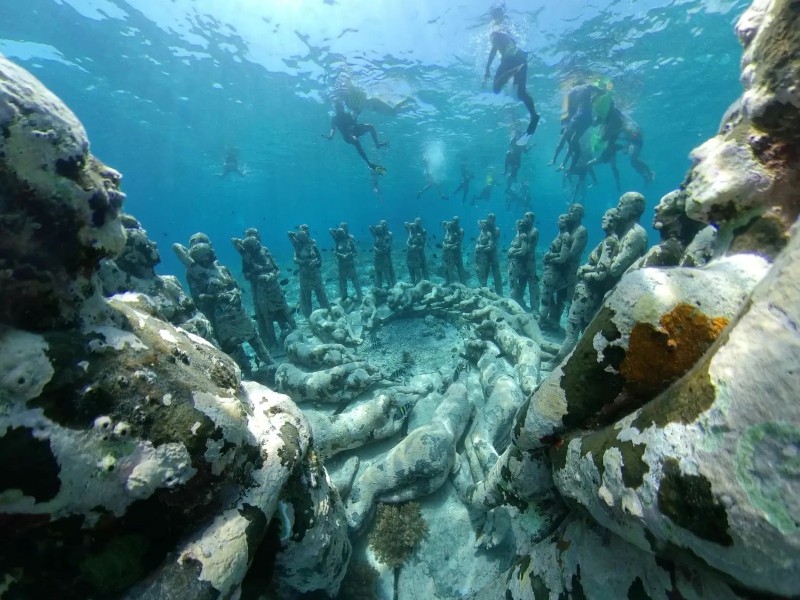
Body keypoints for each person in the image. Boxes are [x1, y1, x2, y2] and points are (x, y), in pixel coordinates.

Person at [173, 237, 273, 375]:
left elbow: (235, 286)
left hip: (239, 311)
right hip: (222, 317)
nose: (211, 253)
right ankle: (248, 373)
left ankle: (270, 364)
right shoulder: (197, 274)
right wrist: (218, 297)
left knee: (254, 336)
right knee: (232, 345)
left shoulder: (222, 269)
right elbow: (198, 298)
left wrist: (235, 293)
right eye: (207, 253)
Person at [483, 2, 540, 146]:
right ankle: (534, 116)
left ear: (494, 15)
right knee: (520, 93)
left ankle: (514, 71)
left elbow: (493, 50)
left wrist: (487, 69)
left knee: (496, 88)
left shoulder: (494, 31)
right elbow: (510, 44)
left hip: (510, 60)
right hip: (521, 59)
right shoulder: (507, 29)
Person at [588, 103, 655, 190]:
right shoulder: (614, 119)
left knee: (633, 160)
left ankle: (650, 172)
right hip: (631, 140)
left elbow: (620, 129)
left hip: (636, 138)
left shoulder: (616, 119)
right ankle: (646, 175)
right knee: (633, 162)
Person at [322, 100, 389, 175]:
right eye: (338, 108)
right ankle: (369, 163)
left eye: (341, 108)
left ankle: (377, 144)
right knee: (356, 141)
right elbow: (332, 129)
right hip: (347, 135)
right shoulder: (335, 119)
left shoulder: (347, 115)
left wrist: (356, 114)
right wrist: (330, 136)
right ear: (337, 109)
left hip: (355, 130)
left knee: (370, 126)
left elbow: (354, 123)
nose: (340, 110)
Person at [550, 83, 604, 168]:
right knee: (574, 140)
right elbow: (600, 92)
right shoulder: (588, 88)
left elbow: (570, 108)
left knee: (564, 138)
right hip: (588, 120)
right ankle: (563, 164)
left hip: (578, 117)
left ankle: (553, 160)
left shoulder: (572, 91)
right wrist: (598, 95)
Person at [288, 227, 331, 317]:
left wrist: (315, 262)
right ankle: (308, 316)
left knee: (320, 293)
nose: (304, 238)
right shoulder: (298, 248)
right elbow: (295, 259)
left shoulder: (313, 245)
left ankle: (328, 312)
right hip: (304, 275)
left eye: (305, 236)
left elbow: (320, 258)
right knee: (306, 296)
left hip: (315, 274)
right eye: (301, 237)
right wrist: (303, 262)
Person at [330, 224, 362, 302]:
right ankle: (344, 297)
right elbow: (330, 230)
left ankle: (359, 295)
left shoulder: (350, 240)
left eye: (344, 229)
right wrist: (340, 255)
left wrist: (350, 255)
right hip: (341, 264)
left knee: (355, 280)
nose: (343, 231)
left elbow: (355, 252)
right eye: (342, 230)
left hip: (350, 264)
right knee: (343, 281)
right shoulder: (337, 241)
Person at [474, 212, 502, 295]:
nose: (490, 220)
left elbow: (492, 245)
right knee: (482, 272)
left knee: (496, 273)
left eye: (492, 218)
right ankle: (484, 291)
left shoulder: (496, 230)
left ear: (494, 220)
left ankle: (500, 293)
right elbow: (478, 221)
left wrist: (480, 247)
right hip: (483, 255)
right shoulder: (484, 227)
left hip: (492, 254)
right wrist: (485, 222)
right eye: (489, 218)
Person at [369, 219, 397, 290]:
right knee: (378, 272)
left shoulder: (389, 234)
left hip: (387, 255)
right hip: (378, 256)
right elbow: (371, 231)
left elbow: (390, 244)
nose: (384, 225)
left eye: (385, 224)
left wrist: (386, 249)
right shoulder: (377, 233)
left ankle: (394, 284)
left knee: (390, 269)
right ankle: (379, 287)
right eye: (382, 224)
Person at [442, 216, 467, 285]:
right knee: (445, 267)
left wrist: (450, 246)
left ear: (458, 222)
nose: (454, 221)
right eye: (453, 220)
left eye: (456, 221)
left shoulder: (460, 230)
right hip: (446, 251)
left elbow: (459, 243)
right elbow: (445, 238)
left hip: (456, 252)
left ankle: (463, 283)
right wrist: (445, 245)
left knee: (459, 268)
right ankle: (447, 281)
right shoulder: (449, 228)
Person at [405, 217, 429, 284]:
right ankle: (413, 282)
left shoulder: (423, 231)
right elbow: (405, 224)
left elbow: (423, 243)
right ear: (414, 221)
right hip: (411, 252)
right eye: (416, 221)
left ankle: (427, 281)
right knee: (411, 267)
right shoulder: (411, 230)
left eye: (419, 221)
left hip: (420, 252)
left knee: (423, 266)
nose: (417, 223)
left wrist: (416, 248)